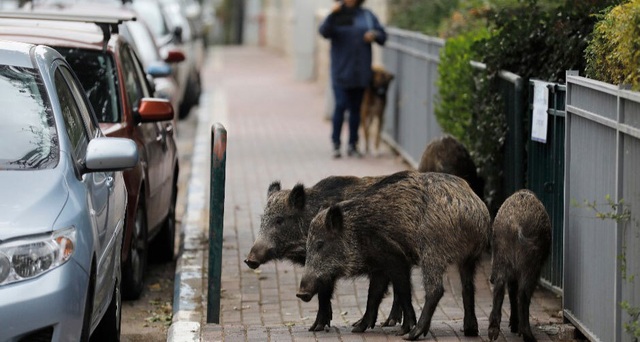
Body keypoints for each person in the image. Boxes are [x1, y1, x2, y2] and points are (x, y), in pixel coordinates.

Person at [319, 0, 387, 158]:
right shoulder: (336, 15)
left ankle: (353, 144)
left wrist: (374, 35)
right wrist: (332, 14)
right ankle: (336, 143)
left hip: (361, 71)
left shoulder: (367, 15)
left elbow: (383, 36)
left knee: (356, 109)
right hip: (341, 70)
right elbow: (324, 32)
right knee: (341, 105)